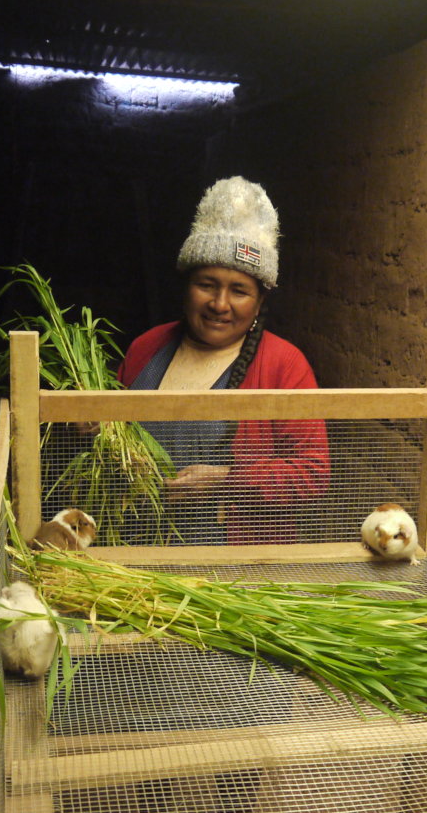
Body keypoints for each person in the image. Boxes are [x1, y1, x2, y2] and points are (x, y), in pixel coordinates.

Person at [117, 176, 330, 545]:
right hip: (132, 549)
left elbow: (312, 474)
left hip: (234, 567)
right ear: (186, 287)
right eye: (207, 284)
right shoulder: (146, 348)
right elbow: (106, 437)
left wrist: (227, 480)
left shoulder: (284, 365)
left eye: (240, 291)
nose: (219, 304)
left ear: (260, 301)